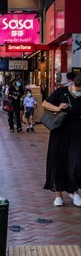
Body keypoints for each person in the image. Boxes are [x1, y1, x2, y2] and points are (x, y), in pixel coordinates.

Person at [42, 73, 81, 207]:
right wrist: (58, 108)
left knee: (75, 163)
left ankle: (74, 191)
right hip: (59, 134)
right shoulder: (61, 92)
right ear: (75, 85)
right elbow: (45, 103)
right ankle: (58, 195)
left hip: (77, 135)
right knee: (58, 162)